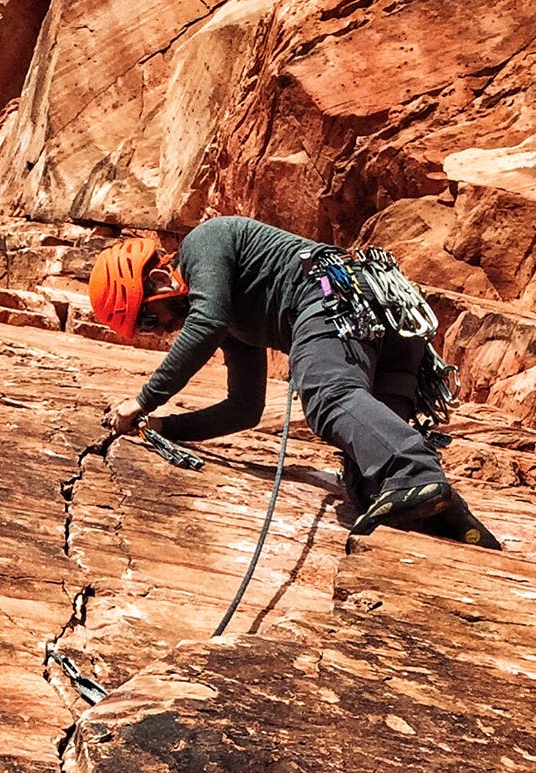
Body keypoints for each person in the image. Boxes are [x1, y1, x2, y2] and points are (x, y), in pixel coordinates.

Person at [90, 216, 494, 545]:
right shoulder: (232, 320)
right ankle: (445, 517)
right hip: (383, 325)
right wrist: (165, 428)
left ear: (158, 282)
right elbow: (245, 408)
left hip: (332, 299)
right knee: (369, 482)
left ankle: (418, 472)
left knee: (329, 397)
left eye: (147, 320)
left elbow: (204, 324)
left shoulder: (203, 244)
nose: (158, 334)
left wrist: (144, 400)